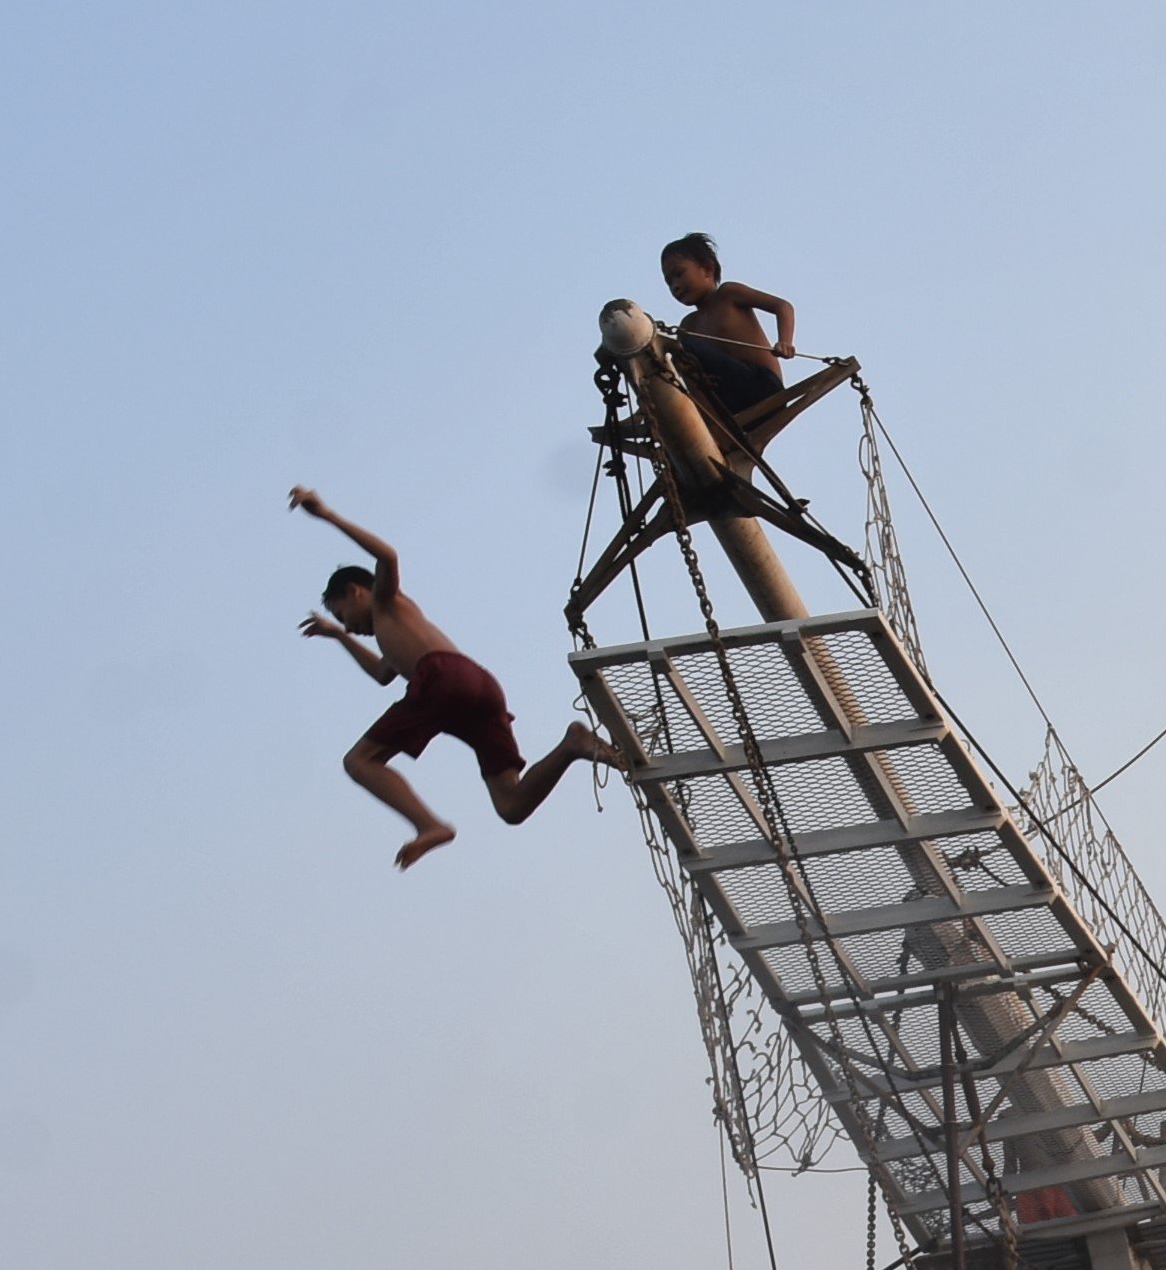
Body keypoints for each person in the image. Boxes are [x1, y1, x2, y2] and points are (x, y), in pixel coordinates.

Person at [291, 487, 636, 872]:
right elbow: (381, 674)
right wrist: (337, 636)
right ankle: (573, 744)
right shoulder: (393, 634)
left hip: (442, 678)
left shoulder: (384, 601)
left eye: (344, 618)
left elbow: (387, 555)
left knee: (358, 762)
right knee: (512, 805)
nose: (351, 629)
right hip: (480, 689)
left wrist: (327, 515)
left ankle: (430, 825)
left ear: (356, 592)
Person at [658, 232, 796, 426]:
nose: (675, 286)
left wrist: (785, 342)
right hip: (729, 402)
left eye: (679, 274)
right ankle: (653, 414)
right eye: (669, 282)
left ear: (707, 268)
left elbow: (783, 307)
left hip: (762, 388)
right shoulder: (688, 325)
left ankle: (714, 430)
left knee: (682, 347)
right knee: (672, 358)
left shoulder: (728, 294)